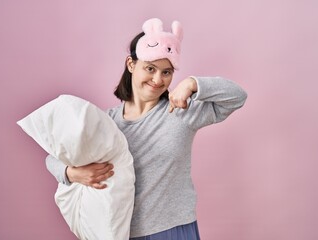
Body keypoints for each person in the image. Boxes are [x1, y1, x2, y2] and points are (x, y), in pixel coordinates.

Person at [46, 18, 247, 240]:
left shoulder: (180, 110)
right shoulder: (107, 122)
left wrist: (192, 83)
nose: (157, 79)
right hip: (121, 232)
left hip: (173, 230)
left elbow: (237, 97)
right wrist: (72, 173)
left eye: (167, 72)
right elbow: (53, 157)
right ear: (131, 64)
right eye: (150, 68)